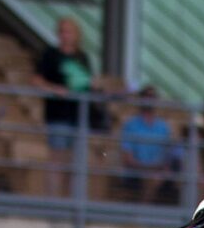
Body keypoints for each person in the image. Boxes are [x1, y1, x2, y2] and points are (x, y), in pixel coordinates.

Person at [35, 15, 101, 192]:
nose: (66, 35)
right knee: (57, 160)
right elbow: (37, 80)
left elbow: (88, 82)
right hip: (58, 115)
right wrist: (55, 89)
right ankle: (54, 204)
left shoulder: (83, 57)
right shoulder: (51, 54)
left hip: (79, 116)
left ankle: (74, 205)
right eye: (62, 31)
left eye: (69, 31)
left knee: (76, 164)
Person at [114, 86, 176, 203]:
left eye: (152, 97)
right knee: (153, 178)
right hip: (136, 171)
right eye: (147, 97)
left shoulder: (163, 127)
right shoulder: (131, 125)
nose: (150, 100)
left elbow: (168, 154)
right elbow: (127, 158)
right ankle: (145, 210)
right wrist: (146, 168)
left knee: (159, 177)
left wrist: (161, 167)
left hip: (158, 171)